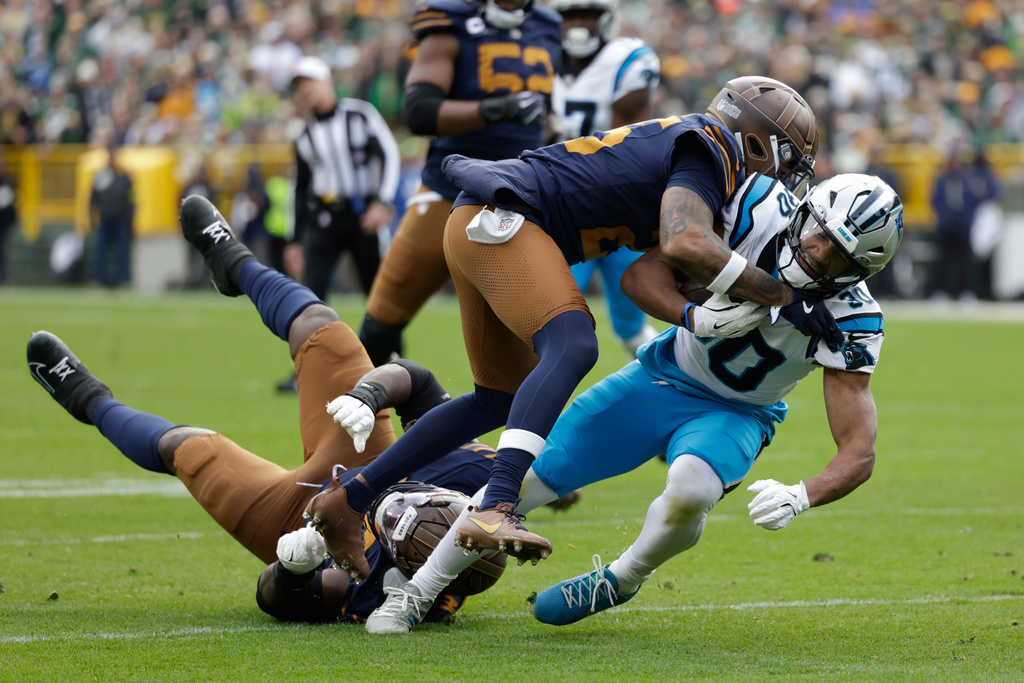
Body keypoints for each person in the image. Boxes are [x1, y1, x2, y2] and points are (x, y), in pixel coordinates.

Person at [302, 76, 830, 589]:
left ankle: (348, 498)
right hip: (506, 217)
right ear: (758, 141)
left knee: (499, 400)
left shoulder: (701, 151)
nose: (785, 177)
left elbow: (659, 266)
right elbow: (683, 239)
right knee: (574, 342)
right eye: (785, 158)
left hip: (484, 220)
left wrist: (699, 311)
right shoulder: (709, 149)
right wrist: (782, 293)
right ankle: (496, 505)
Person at [364, 172, 904, 633]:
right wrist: (696, 316)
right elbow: (640, 276)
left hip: (739, 411)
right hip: (660, 377)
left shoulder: (853, 320)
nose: (816, 253)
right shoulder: (756, 213)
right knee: (516, 488)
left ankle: (622, 577)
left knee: (691, 488)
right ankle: (415, 595)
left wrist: (801, 495)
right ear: (803, 210)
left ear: (863, 269)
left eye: (837, 255)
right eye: (818, 235)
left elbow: (859, 451)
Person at [25, 194, 495, 623]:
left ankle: (89, 400)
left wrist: (294, 564)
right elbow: (418, 381)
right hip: (363, 451)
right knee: (320, 326)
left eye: (407, 531)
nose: (405, 515)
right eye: (430, 510)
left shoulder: (385, 590)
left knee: (185, 449)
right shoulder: (471, 474)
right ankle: (235, 262)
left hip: (305, 518)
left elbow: (274, 598)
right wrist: (369, 394)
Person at [357, 0, 563, 366]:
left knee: (537, 333)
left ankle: (523, 420)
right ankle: (373, 407)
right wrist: (498, 110)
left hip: (521, 192)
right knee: (381, 321)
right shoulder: (451, 24)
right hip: (448, 188)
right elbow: (418, 112)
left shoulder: (548, 26)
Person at [276, 55, 401, 392]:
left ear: (327, 82)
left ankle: (395, 365)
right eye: (299, 87)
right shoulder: (306, 136)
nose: (305, 92)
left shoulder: (359, 115)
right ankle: (308, 371)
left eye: (309, 83)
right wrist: (293, 240)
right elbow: (299, 190)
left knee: (381, 294)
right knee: (309, 296)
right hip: (326, 218)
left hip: (364, 215)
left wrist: (383, 203)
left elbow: (389, 153)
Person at [551, 0, 662, 357]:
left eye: (588, 15)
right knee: (549, 317)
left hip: (620, 206)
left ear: (606, 19)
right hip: (565, 208)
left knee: (631, 329)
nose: (578, 24)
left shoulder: (628, 59)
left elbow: (621, 142)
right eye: (570, 16)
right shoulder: (538, 60)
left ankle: (674, 390)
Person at [929, 146, 1000, 301]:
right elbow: (936, 201)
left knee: (964, 262)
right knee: (945, 260)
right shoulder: (941, 181)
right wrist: (946, 217)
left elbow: (971, 202)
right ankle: (943, 291)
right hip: (945, 227)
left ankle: (964, 291)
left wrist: (964, 218)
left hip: (963, 226)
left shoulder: (967, 180)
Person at [89, 145, 135, 287]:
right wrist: (92, 218)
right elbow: (92, 200)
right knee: (101, 251)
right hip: (105, 219)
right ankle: (99, 279)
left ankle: (123, 279)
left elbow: (131, 201)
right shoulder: (101, 176)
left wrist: (130, 220)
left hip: (120, 220)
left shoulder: (124, 178)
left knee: (122, 252)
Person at [0, 152, 17, 284]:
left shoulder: (8, 182)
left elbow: (6, 201)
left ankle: (5, 278)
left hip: (5, 222)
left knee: (4, 250)